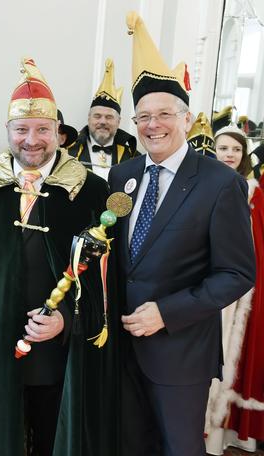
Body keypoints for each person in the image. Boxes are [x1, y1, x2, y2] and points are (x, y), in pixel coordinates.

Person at [109, 13, 255, 456]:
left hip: (180, 351)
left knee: (178, 448)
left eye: (164, 115)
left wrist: (166, 313)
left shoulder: (219, 183)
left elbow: (236, 274)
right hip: (119, 345)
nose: (153, 125)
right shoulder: (123, 175)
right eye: (143, 117)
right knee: (128, 445)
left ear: (187, 119)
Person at [0, 57, 110, 456]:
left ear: (59, 134)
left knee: (50, 436)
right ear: (6, 131)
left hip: (58, 346)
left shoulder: (90, 190)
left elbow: (103, 276)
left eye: (43, 129)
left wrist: (68, 321)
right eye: (21, 129)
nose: (32, 140)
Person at [205, 125, 264, 454]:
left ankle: (220, 433)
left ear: (244, 156)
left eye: (235, 150)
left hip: (238, 292)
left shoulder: (252, 191)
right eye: (223, 148)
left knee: (230, 354)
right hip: (203, 283)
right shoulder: (200, 183)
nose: (229, 154)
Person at [68, 58, 137, 180]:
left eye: (109, 117)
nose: (103, 121)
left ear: (118, 122)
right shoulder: (68, 152)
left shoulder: (133, 157)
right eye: (97, 116)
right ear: (89, 119)